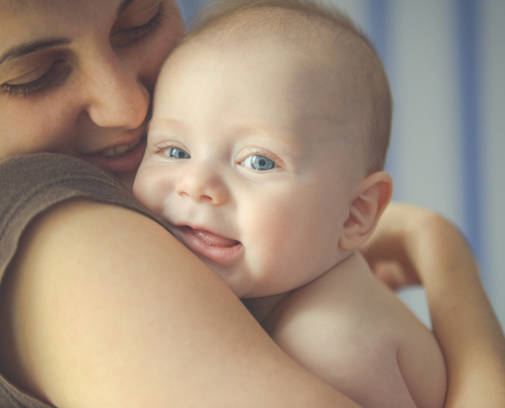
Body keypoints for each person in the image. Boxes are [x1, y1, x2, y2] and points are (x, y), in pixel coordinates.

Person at [0, 0, 505, 407]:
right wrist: (443, 255)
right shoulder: (63, 236)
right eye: (33, 76)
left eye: (138, 21)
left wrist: (439, 250)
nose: (129, 107)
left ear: (356, 212)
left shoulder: (328, 338)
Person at [132, 1, 446, 407]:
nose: (195, 185)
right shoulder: (288, 293)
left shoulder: (325, 342)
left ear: (356, 213)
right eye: (173, 151)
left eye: (259, 161)